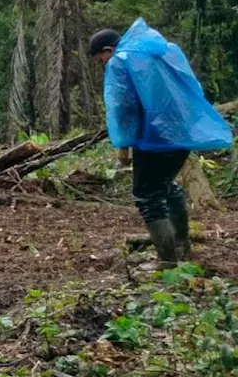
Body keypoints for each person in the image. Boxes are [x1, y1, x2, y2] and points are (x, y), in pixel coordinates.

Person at [90, 19, 233, 265]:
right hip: (181, 133)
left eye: (100, 61)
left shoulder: (121, 61)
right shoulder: (164, 50)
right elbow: (191, 85)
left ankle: (167, 262)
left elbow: (123, 107)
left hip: (153, 139)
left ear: (108, 51)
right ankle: (182, 247)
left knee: (147, 196)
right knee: (166, 186)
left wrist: (123, 145)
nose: (103, 66)